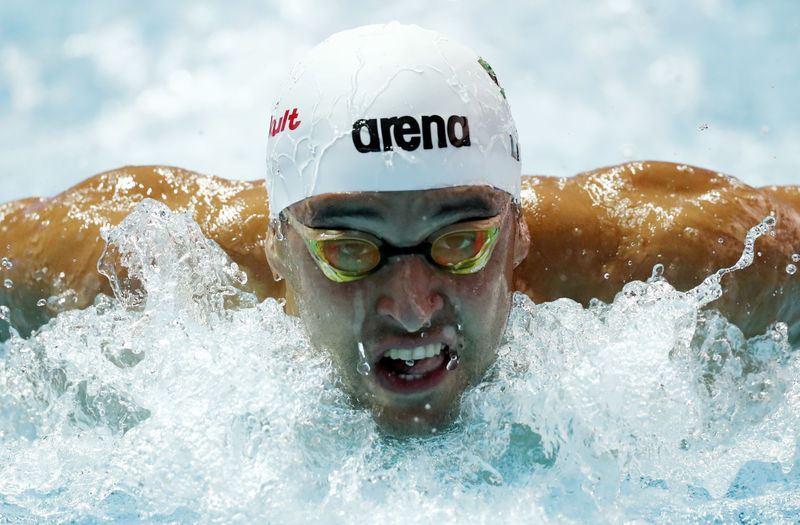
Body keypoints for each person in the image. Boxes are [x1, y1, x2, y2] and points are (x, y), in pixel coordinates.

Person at [1, 24, 799, 434]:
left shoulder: (667, 258)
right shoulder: (145, 263)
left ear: (520, 233)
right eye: (352, 250)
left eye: (461, 241)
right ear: (278, 247)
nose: (413, 305)